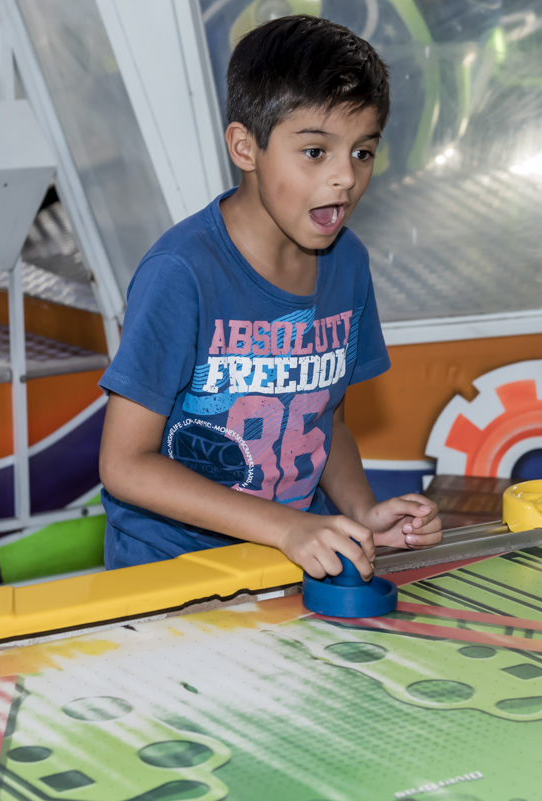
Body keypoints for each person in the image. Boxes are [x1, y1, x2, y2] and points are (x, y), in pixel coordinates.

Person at [97, 15, 441, 580]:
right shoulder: (181, 273)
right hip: (171, 569)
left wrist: (361, 512)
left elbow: (326, 422)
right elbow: (124, 464)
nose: (345, 177)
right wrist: (285, 527)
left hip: (290, 561)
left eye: (362, 152)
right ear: (245, 147)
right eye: (316, 151)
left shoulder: (348, 263)